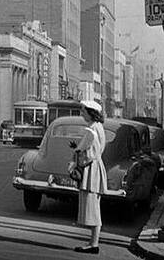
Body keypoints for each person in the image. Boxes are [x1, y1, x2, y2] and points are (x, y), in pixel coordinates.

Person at [72, 100, 107, 255]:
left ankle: (94, 244)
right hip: (96, 169)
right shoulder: (99, 128)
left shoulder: (91, 130)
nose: (81, 113)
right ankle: (93, 242)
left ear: (91, 112)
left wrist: (76, 158)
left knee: (92, 207)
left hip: (90, 170)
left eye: (83, 111)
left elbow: (88, 154)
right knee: (94, 206)